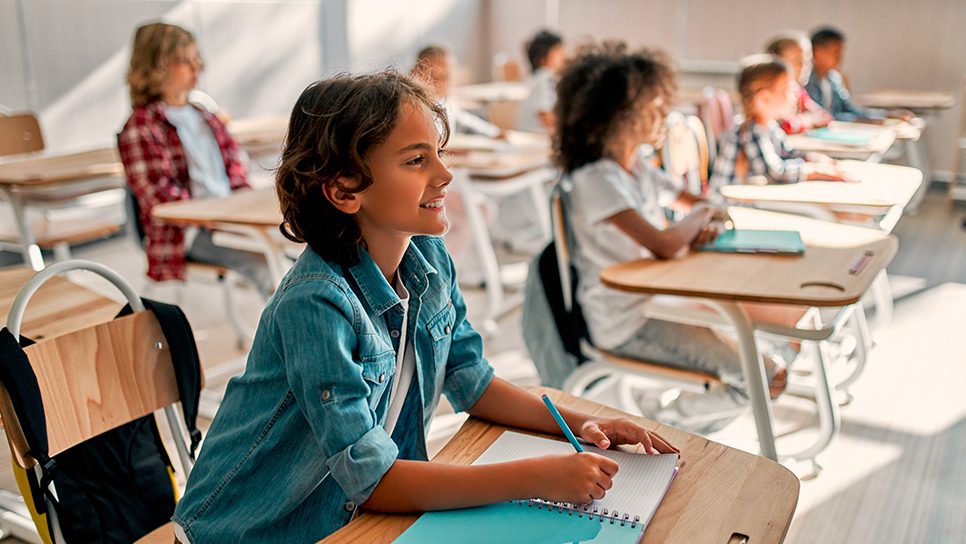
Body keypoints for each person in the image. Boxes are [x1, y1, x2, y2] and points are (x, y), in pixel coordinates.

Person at [171, 71, 677, 543]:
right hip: (251, 529)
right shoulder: (315, 303)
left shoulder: (428, 257)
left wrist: (585, 425)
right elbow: (375, 482)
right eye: (416, 160)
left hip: (348, 511)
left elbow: (472, 382)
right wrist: (538, 477)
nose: (445, 173)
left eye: (439, 152)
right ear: (345, 189)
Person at [554, 43, 800, 431]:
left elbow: (693, 202)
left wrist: (702, 216)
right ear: (617, 117)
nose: (663, 116)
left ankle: (667, 418)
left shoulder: (635, 165)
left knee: (771, 352)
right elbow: (665, 243)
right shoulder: (596, 180)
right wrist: (699, 218)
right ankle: (664, 422)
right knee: (765, 375)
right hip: (626, 322)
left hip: (660, 301)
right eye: (652, 108)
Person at [118, 22, 273, 297]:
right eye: (183, 61)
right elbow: (160, 197)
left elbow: (235, 167)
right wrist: (217, 216)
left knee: (295, 254)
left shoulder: (205, 116)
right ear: (156, 68)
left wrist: (243, 210)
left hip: (229, 218)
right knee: (266, 267)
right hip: (188, 232)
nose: (197, 67)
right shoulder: (141, 126)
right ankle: (288, 339)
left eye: (196, 58)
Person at [711, 54, 849, 188]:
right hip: (726, 208)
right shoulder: (749, 131)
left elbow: (789, 152)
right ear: (764, 99)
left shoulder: (769, 126)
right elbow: (774, 173)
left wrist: (815, 158)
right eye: (787, 89)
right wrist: (814, 171)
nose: (794, 95)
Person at [804, 26, 914, 122]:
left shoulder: (833, 78)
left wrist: (886, 115)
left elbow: (850, 109)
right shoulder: (805, 80)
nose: (840, 58)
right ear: (818, 52)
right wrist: (861, 120)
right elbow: (823, 116)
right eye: (836, 52)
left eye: (841, 52)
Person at [765, 32, 833, 134]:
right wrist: (809, 120)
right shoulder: (770, 92)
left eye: (808, 61)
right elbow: (784, 126)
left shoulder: (797, 90)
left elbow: (825, 116)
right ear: (776, 63)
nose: (805, 67)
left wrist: (802, 121)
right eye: (798, 61)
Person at [516, 29, 566, 133]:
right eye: (557, 51)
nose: (563, 55)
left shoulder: (536, 76)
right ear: (542, 57)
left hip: (528, 133)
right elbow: (545, 116)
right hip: (535, 135)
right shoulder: (545, 77)